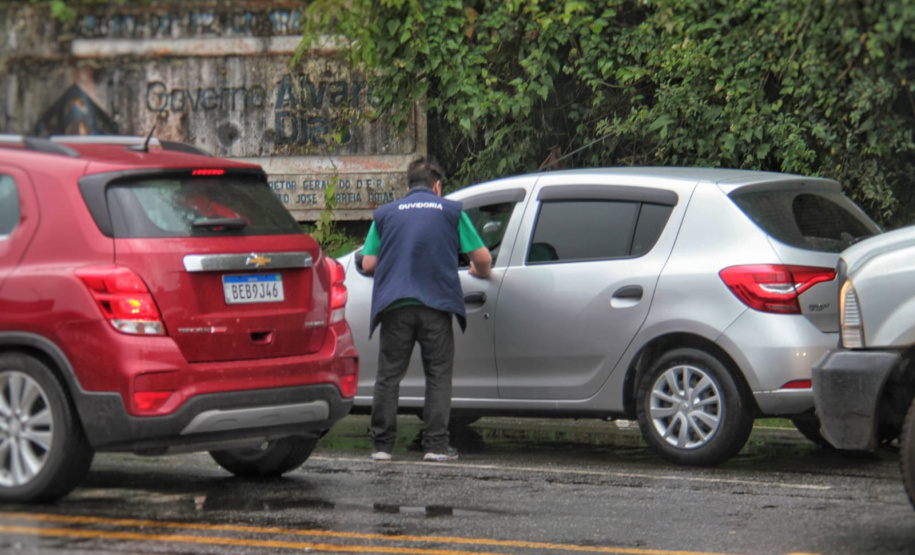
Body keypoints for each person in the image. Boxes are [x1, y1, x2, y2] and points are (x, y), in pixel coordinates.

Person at [360, 156, 492, 462]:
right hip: (436, 305)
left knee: (388, 377)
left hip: (396, 305)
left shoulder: (386, 214)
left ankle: (381, 446)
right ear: (437, 187)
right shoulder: (451, 211)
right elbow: (483, 259)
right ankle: (435, 446)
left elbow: (368, 264)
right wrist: (479, 271)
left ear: (407, 187)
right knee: (438, 376)